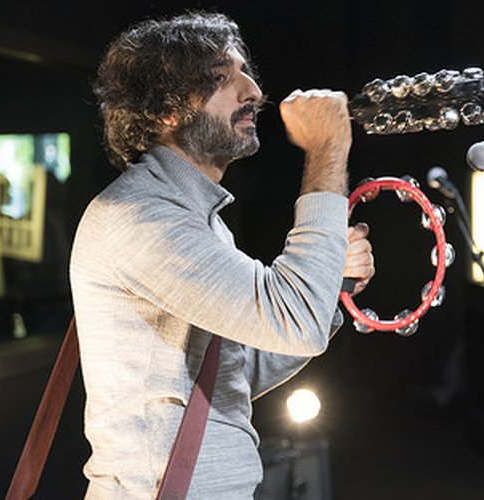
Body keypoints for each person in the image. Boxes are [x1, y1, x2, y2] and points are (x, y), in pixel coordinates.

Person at [70, 11, 375, 498]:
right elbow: (294, 320)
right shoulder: (141, 217)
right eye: (220, 78)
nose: (253, 91)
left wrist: (326, 287)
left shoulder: (195, 218)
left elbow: (238, 372)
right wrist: (328, 148)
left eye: (245, 72)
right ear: (164, 110)